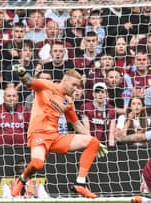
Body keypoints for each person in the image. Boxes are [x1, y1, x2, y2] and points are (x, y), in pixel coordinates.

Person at [10, 66, 108, 198]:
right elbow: (29, 81)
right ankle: (22, 181)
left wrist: (95, 143)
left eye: (78, 86)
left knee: (93, 142)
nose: (75, 89)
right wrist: (22, 73)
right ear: (65, 80)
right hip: (38, 134)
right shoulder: (46, 85)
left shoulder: (68, 101)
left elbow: (77, 124)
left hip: (55, 137)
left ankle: (80, 183)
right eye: (74, 85)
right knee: (37, 164)